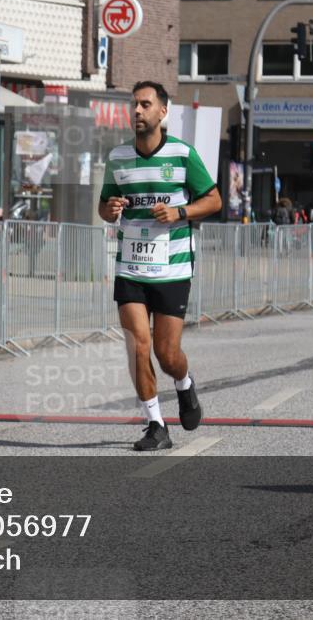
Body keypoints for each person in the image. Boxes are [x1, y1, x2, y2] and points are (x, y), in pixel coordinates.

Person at [98, 81, 223, 451]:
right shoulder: (118, 157)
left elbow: (213, 200)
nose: (137, 111)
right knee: (138, 345)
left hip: (172, 269)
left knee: (166, 354)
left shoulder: (183, 155)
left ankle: (184, 384)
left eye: (145, 105)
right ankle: (155, 424)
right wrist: (112, 210)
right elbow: (104, 207)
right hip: (130, 268)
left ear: (162, 112)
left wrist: (179, 212)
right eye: (134, 105)